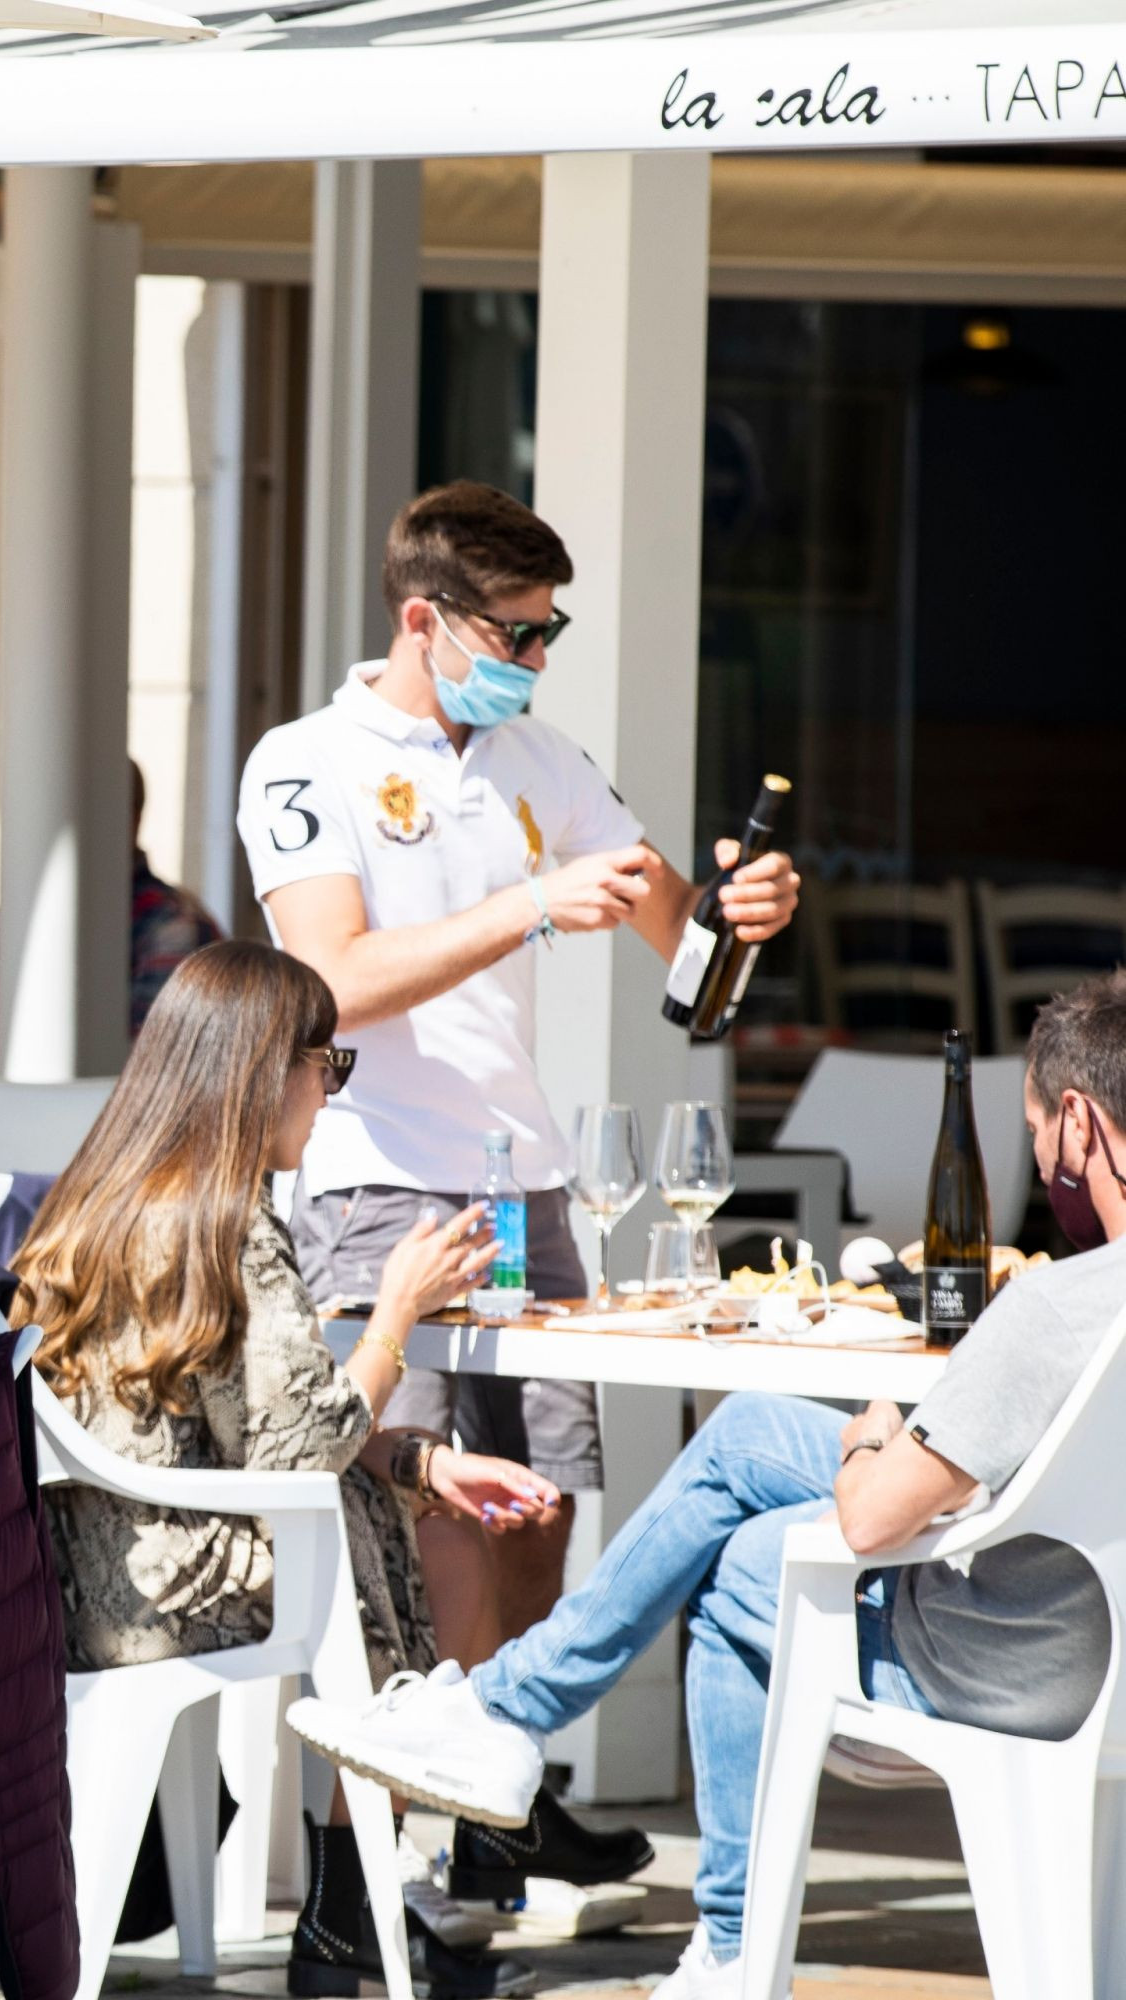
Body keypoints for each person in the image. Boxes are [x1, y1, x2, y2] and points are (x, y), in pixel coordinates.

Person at [290, 971, 1126, 2000]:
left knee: (740, 1549)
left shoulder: (1054, 1308)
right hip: (1092, 1647)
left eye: (1040, 1132)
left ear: (1081, 1122)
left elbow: (870, 1517)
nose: (1041, 1164)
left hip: (1005, 1664)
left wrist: (877, 1436)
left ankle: (556, 1761)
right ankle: (523, 1728)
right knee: (751, 1469)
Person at [15, 941, 656, 1997]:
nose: (329, 1092)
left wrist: (419, 1455)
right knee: (441, 1548)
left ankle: (374, 1890)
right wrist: (396, 1312)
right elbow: (296, 1447)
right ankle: (367, 1894)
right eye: (328, 1063)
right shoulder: (225, 1220)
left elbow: (240, 1420)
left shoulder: (116, 1191)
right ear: (265, 1066)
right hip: (169, 1579)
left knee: (418, 1506)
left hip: (97, 1559)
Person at [237, 482, 801, 1678]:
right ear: (421, 618)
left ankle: (499, 1798)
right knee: (419, 1501)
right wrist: (529, 905)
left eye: (553, 632)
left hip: (522, 1183)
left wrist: (743, 916)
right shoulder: (305, 760)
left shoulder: (545, 756)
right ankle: (408, 1809)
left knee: (540, 1504)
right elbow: (326, 978)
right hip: (376, 1173)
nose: (537, 659)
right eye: (516, 633)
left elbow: (684, 945)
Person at [0, 759, 219, 1097]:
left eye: (73, 812)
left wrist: (9, 1054)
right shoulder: (5, 922)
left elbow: (153, 1075)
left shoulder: (175, 931)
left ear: (130, 820)